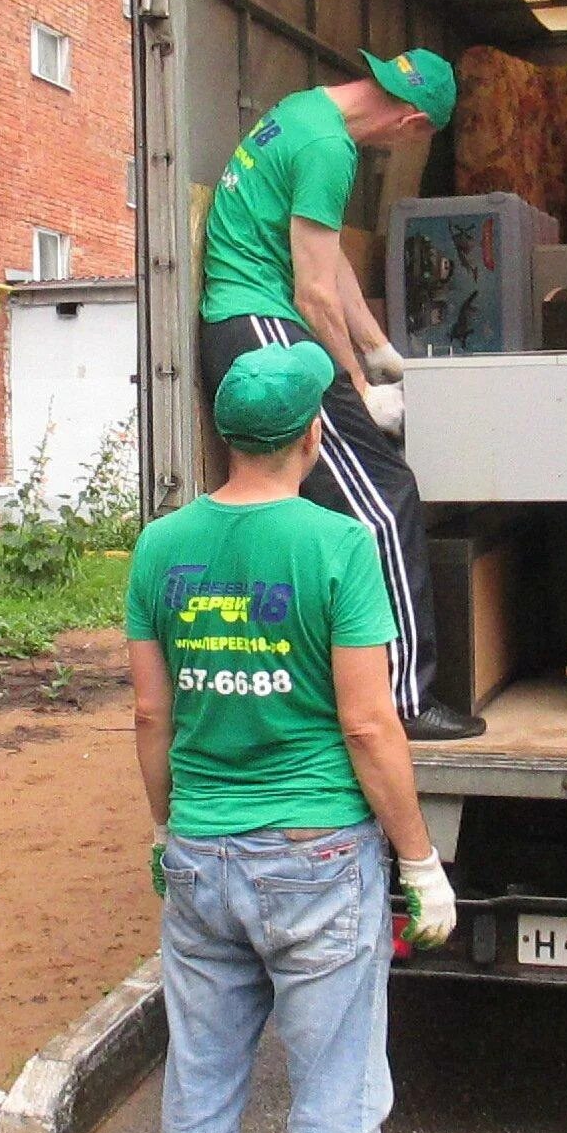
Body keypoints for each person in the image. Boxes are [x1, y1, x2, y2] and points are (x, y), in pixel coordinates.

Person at [127, 339, 460, 1133]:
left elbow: (152, 720)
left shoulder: (160, 547)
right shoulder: (338, 546)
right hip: (317, 857)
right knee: (332, 1100)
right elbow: (367, 724)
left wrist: (169, 828)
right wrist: (418, 858)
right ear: (314, 434)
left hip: (201, 854)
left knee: (200, 1092)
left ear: (229, 436)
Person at [195, 48, 482, 741]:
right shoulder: (330, 150)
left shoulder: (302, 111)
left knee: (339, 510)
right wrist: (357, 385)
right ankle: (406, 701)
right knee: (385, 504)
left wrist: (382, 349)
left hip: (248, 325)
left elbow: (329, 265)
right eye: (414, 137)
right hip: (268, 331)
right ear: (412, 120)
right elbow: (311, 292)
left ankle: (339, 687)